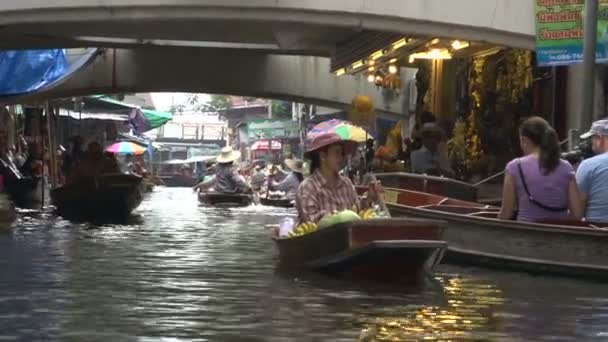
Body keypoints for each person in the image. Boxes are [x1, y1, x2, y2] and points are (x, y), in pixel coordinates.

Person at [498, 117, 583, 222]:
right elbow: (577, 214)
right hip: (559, 235)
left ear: (524, 140)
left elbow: (507, 213)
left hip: (524, 234)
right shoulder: (566, 167)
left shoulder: (514, 166)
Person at [295, 133, 382, 224]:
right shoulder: (308, 187)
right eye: (336, 152)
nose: (341, 158)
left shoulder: (346, 184)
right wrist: (338, 216)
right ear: (323, 156)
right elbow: (311, 222)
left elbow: (357, 212)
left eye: (342, 153)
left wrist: (369, 199)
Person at [575, 119, 608, 223]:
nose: (590, 143)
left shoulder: (588, 165)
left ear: (600, 139)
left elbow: (577, 211)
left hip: (596, 231)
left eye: (592, 138)